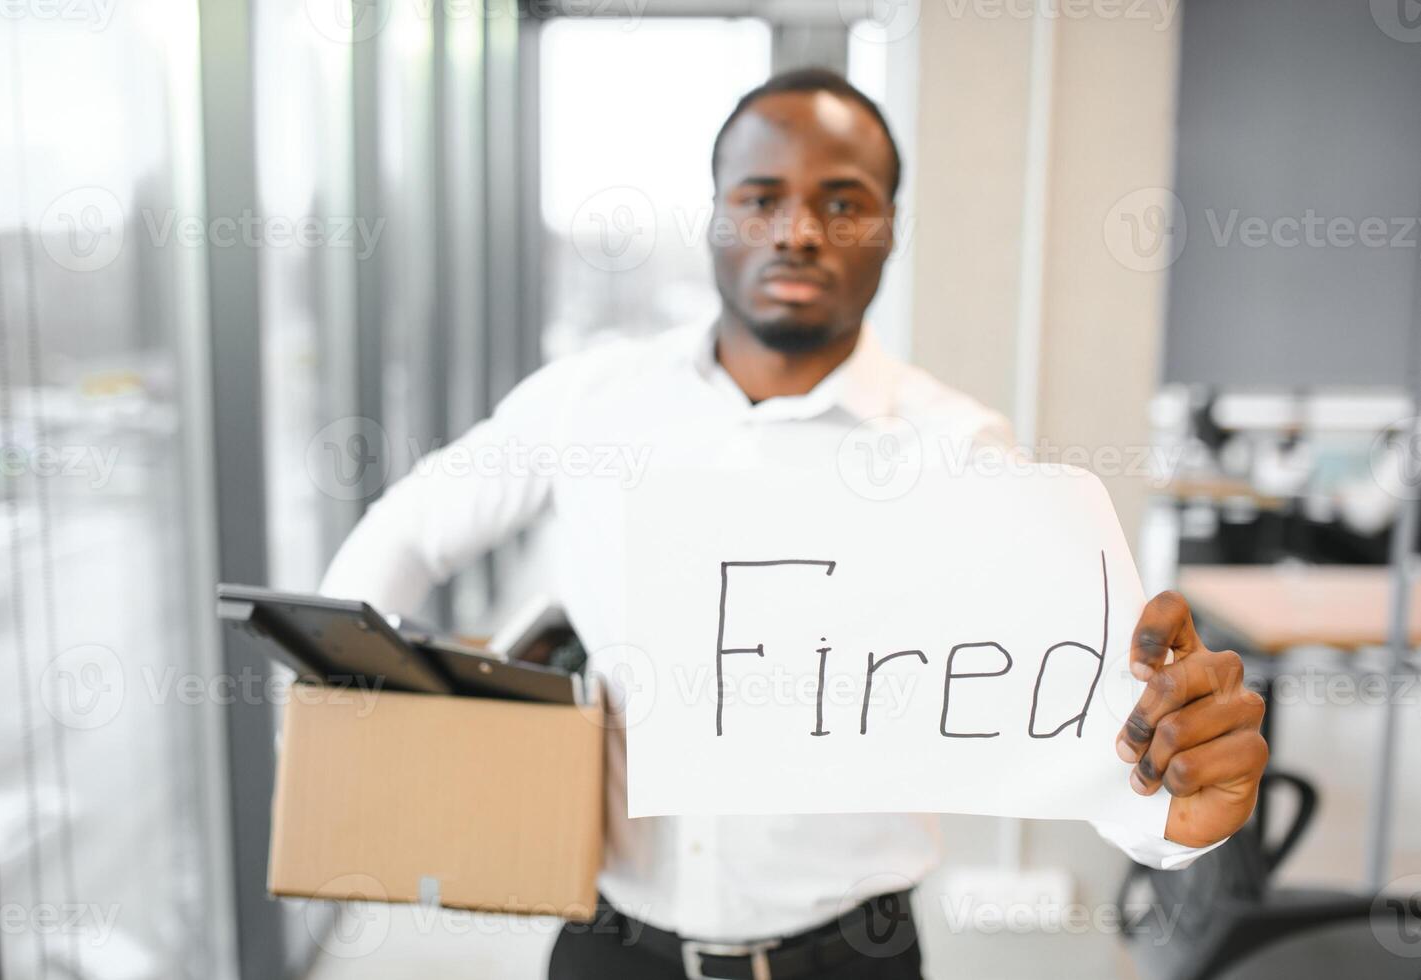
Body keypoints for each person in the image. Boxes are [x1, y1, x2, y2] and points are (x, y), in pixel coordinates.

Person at [320, 68, 1268, 980]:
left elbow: (1068, 715)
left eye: (844, 201)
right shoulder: (591, 402)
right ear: (715, 217)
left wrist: (1176, 817)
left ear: (890, 230)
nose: (799, 230)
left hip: (850, 955)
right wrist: (356, 708)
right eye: (761, 196)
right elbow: (409, 532)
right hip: (611, 945)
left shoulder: (957, 448)